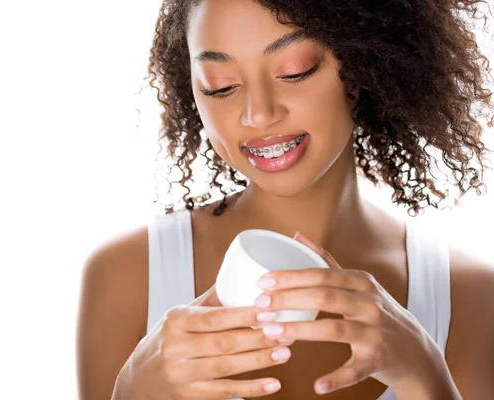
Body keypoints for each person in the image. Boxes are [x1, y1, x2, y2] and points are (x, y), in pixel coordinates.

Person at [77, 0, 494, 398]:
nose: (258, 114)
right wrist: (132, 393)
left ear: (366, 61)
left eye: (295, 72)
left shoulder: (468, 295)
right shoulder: (126, 278)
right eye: (220, 87)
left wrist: (427, 379)